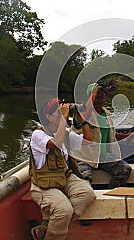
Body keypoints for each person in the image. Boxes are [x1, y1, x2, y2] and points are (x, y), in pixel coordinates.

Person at [29, 93, 97, 240]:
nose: (62, 115)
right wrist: (64, 118)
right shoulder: (38, 135)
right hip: (43, 185)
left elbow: (89, 141)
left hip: (64, 178)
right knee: (63, 209)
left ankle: (46, 228)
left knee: (87, 193)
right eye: (58, 113)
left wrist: (81, 119)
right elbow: (55, 143)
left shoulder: (64, 134)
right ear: (49, 117)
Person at [72, 83, 134, 189]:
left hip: (103, 157)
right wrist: (94, 93)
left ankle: (110, 194)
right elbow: (84, 116)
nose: (102, 96)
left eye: (103, 94)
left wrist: (127, 136)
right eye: (98, 95)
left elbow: (110, 136)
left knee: (124, 169)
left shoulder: (107, 114)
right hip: (85, 158)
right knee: (85, 177)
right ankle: (88, 198)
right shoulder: (81, 114)